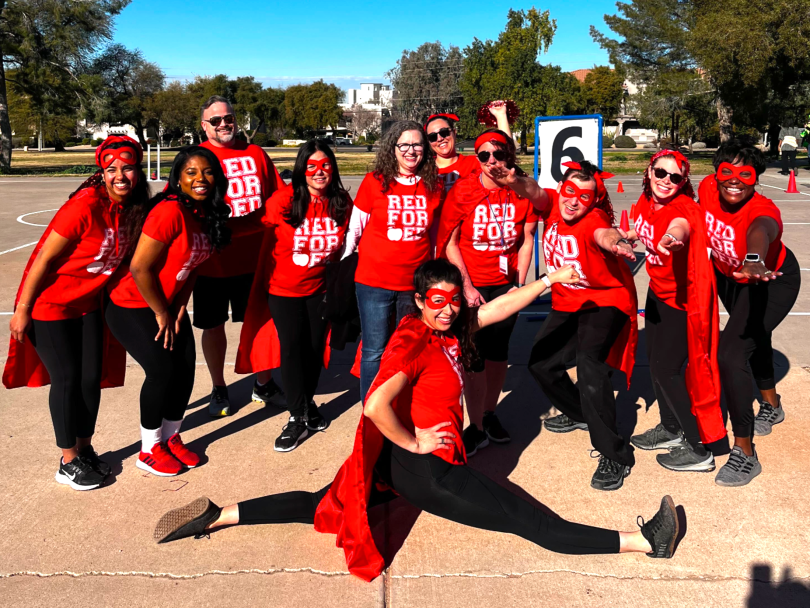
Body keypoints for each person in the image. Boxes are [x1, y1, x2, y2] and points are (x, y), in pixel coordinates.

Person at [153, 260, 681, 582]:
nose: (449, 310)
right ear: (420, 302)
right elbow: (376, 405)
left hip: (398, 465)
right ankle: (644, 542)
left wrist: (547, 281)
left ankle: (219, 515)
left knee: (326, 503)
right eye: (438, 302)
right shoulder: (412, 339)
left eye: (453, 302)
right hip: (427, 471)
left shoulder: (443, 328)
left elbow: (495, 310)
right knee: (530, 521)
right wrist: (417, 440)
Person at [3, 136, 150, 491]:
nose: (120, 176)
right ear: (101, 173)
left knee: (90, 380)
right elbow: (43, 259)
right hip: (51, 306)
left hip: (88, 307)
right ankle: (67, 460)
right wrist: (22, 309)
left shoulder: (135, 207)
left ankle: (84, 449)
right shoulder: (84, 206)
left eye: (128, 168)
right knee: (67, 380)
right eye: (111, 169)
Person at [105, 146, 231, 477]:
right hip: (132, 303)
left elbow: (193, 266)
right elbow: (140, 268)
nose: (200, 179)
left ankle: (171, 437)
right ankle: (148, 449)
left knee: (185, 367)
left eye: (207, 172)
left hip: (168, 304)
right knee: (162, 370)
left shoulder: (204, 212)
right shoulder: (170, 211)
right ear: (176, 178)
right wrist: (162, 312)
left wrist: (178, 307)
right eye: (191, 172)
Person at [528, 161, 640, 491]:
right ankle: (581, 413)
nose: (574, 200)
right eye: (570, 191)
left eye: (585, 196)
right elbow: (527, 187)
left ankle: (615, 454)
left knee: (591, 367)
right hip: (570, 302)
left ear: (594, 201)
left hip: (606, 299)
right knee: (540, 362)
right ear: (561, 189)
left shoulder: (594, 218)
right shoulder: (551, 206)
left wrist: (615, 243)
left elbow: (603, 232)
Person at [236, 140, 352, 452]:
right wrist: (211, 224)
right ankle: (297, 415)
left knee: (315, 351)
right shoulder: (283, 200)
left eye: (325, 165)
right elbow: (252, 223)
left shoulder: (341, 201)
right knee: (292, 350)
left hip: (321, 290)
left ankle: (306, 403)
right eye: (311, 166)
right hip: (284, 291)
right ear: (301, 169)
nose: (319, 172)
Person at [698, 142, 801, 487]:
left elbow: (762, 231)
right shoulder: (707, 189)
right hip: (732, 279)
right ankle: (772, 403)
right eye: (727, 171)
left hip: (772, 280)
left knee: (730, 354)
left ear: (755, 179)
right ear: (716, 173)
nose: (735, 180)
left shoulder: (763, 209)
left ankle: (745, 452)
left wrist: (755, 259)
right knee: (756, 338)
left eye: (745, 174)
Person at [437, 129, 540, 455]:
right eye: (484, 156)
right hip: (471, 285)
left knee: (498, 354)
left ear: (510, 157)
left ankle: (490, 414)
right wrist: (465, 286)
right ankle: (476, 425)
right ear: (477, 159)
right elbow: (450, 242)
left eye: (499, 154)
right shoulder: (463, 191)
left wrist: (519, 284)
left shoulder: (522, 191)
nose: (492, 161)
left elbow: (527, 241)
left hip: (505, 285)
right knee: (473, 357)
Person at [626, 149, 727, 473]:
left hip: (682, 303)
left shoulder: (682, 207)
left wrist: (672, 237)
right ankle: (670, 429)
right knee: (655, 367)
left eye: (675, 177)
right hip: (658, 293)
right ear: (650, 171)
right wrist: (629, 235)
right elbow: (643, 228)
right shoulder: (646, 199)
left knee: (668, 371)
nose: (666, 181)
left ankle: (699, 448)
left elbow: (680, 225)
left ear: (684, 181)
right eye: (661, 173)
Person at [341, 121, 443, 403]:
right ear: (393, 148)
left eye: (417, 144)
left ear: (425, 149)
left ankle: (398, 406)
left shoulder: (433, 185)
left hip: (413, 284)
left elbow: (434, 235)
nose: (411, 151)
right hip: (373, 282)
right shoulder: (374, 181)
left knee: (405, 349)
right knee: (374, 350)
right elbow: (355, 229)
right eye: (404, 145)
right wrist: (343, 267)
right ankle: (372, 412)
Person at [197, 95, 285, 417]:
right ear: (204, 125)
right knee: (213, 326)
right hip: (214, 262)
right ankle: (218, 387)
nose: (224, 124)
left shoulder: (255, 153)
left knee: (262, 322)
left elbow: (277, 195)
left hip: (257, 259)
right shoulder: (198, 157)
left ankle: (264, 383)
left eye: (228, 118)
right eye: (216, 120)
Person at [426, 101, 512, 192]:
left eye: (444, 132)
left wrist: (501, 116)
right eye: (432, 137)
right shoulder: (424, 168)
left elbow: (505, 152)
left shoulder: (475, 162)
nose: (439, 139)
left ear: (454, 133)